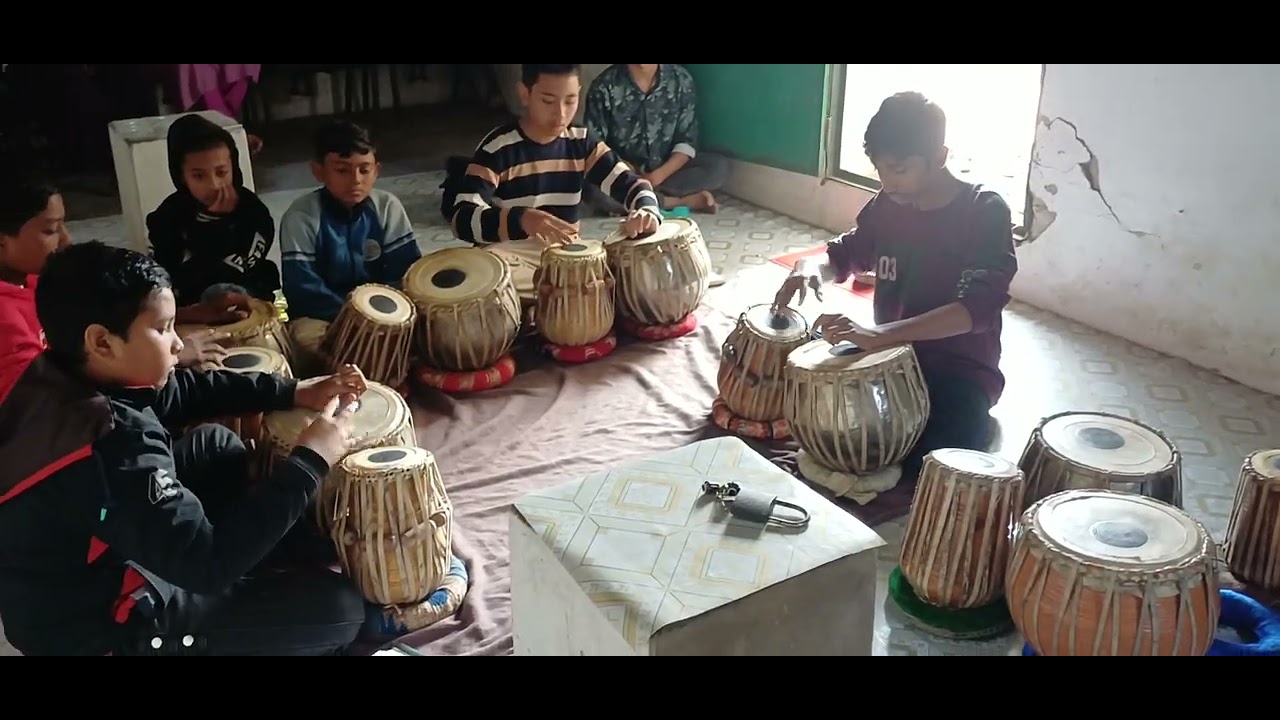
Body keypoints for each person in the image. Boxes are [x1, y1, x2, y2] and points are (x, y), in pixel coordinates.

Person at [0, 241, 371, 656]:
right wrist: (311, 459)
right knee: (339, 609)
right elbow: (207, 567)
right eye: (163, 329)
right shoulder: (114, 443)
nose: (178, 344)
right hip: (94, 627)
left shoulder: (60, 372)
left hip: (96, 542)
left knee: (216, 445)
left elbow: (181, 391)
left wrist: (293, 391)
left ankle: (253, 558)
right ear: (102, 342)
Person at [773, 91, 1017, 489]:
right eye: (880, 169)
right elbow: (847, 254)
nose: (887, 182)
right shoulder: (889, 204)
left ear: (940, 157)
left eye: (899, 170)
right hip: (887, 358)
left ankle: (976, 425)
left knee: (932, 464)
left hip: (956, 373)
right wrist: (810, 269)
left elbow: (976, 310)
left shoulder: (983, 211)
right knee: (811, 387)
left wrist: (880, 335)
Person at [441, 63, 661, 305]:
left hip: (564, 256)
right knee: (487, 276)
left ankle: (559, 294)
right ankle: (562, 294)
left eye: (570, 100)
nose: (561, 114)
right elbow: (461, 217)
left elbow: (634, 186)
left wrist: (647, 212)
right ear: (525, 94)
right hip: (511, 256)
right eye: (548, 101)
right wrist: (522, 220)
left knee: (636, 270)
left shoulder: (581, 142)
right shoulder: (498, 148)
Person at [2, 178, 228, 401]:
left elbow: (103, 315)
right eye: (50, 230)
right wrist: (163, 359)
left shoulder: (34, 279)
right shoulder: (6, 322)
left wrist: (187, 314)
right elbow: (45, 399)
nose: (66, 239)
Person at [279, 120, 421, 326]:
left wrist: (384, 315)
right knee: (310, 341)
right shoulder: (301, 217)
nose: (356, 180)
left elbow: (406, 273)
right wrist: (354, 316)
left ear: (376, 171)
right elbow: (302, 288)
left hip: (384, 314)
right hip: (321, 317)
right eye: (342, 170)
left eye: (364, 170)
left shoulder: (387, 207)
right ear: (318, 171)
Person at [146, 113, 281, 313]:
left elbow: (241, 270)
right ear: (181, 176)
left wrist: (221, 227)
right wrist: (212, 227)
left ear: (234, 168)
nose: (214, 184)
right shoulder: (167, 217)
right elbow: (171, 276)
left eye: (221, 172)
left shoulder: (252, 211)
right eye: (198, 176)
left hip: (247, 297)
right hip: (193, 308)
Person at [583, 64, 730, 215]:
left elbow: (687, 140)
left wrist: (656, 177)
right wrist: (626, 172)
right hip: (623, 175)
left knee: (718, 167)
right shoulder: (603, 86)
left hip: (667, 172)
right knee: (589, 187)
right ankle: (676, 201)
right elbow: (594, 147)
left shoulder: (680, 79)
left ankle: (641, 199)